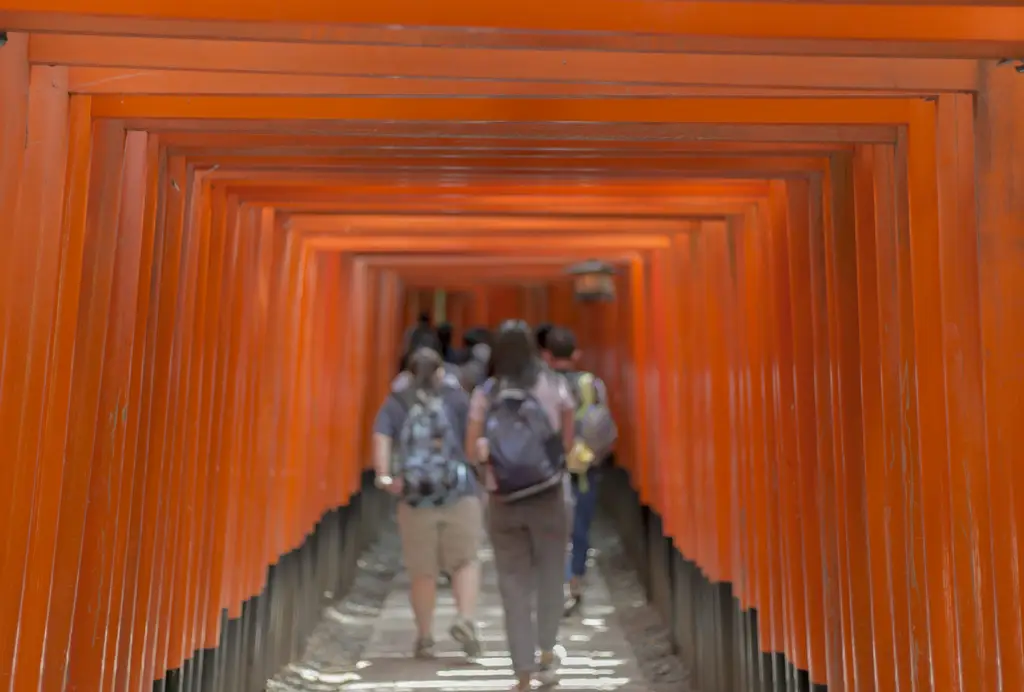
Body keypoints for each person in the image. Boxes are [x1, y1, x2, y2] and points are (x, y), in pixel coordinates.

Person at [465, 320, 576, 691]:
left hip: (503, 500)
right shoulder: (552, 386)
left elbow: (471, 450)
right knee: (550, 576)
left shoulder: (487, 392)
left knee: (513, 586)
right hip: (548, 496)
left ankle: (523, 672)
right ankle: (547, 652)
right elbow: (568, 442)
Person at [372, 346, 484, 660]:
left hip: (414, 497)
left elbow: (381, 439)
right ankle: (465, 619)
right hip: (459, 492)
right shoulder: (456, 398)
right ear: (440, 372)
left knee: (423, 572)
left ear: (408, 373)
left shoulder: (396, 403)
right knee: (465, 561)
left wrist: (385, 476)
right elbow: (473, 440)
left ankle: (424, 637)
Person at [545, 327, 617, 617]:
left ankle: (555, 584)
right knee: (581, 527)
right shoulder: (591, 384)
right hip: (584, 466)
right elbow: (605, 425)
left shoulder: (543, 383)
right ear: (576, 354)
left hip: (548, 467)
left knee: (552, 529)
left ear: (546, 355)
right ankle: (575, 581)